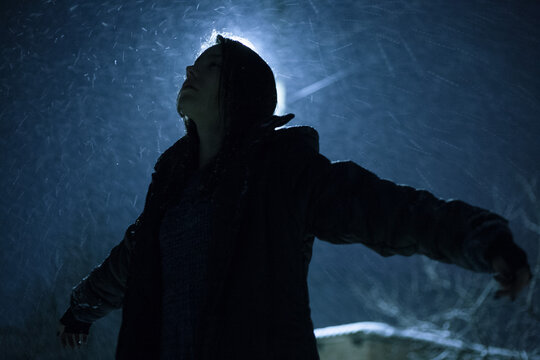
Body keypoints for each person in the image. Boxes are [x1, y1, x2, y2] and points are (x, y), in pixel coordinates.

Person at [57, 33, 532, 359]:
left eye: (212, 64)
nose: (191, 68)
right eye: (194, 63)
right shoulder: (171, 186)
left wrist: (484, 239)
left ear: (241, 91)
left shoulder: (280, 170)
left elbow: (386, 209)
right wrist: (80, 310)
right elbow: (130, 262)